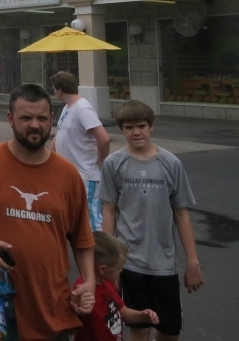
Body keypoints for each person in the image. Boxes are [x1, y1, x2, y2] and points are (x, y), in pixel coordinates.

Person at [0, 83, 96, 341]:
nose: (35, 125)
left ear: (52, 119)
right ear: (10, 119)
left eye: (41, 118)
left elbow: (82, 238)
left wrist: (89, 281)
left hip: (50, 315)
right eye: (26, 118)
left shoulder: (68, 175)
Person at [101, 101, 202, 341]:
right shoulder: (113, 164)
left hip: (164, 264)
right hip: (130, 264)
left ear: (151, 127)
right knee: (139, 327)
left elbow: (181, 214)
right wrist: (109, 263)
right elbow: (109, 211)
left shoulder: (170, 163)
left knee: (169, 330)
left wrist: (192, 261)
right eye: (129, 127)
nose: (136, 132)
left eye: (141, 126)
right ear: (121, 130)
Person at [50, 71, 110, 231]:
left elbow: (103, 138)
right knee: (75, 220)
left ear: (60, 89)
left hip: (86, 174)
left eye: (54, 89)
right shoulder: (68, 108)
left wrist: (100, 162)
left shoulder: (82, 108)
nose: (54, 92)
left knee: (91, 222)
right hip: (71, 174)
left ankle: (101, 254)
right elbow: (60, 133)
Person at [74, 231, 159, 341]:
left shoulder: (108, 283)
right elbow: (72, 317)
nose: (121, 270)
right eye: (119, 268)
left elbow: (122, 311)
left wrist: (141, 316)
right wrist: (77, 303)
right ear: (103, 269)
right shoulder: (83, 287)